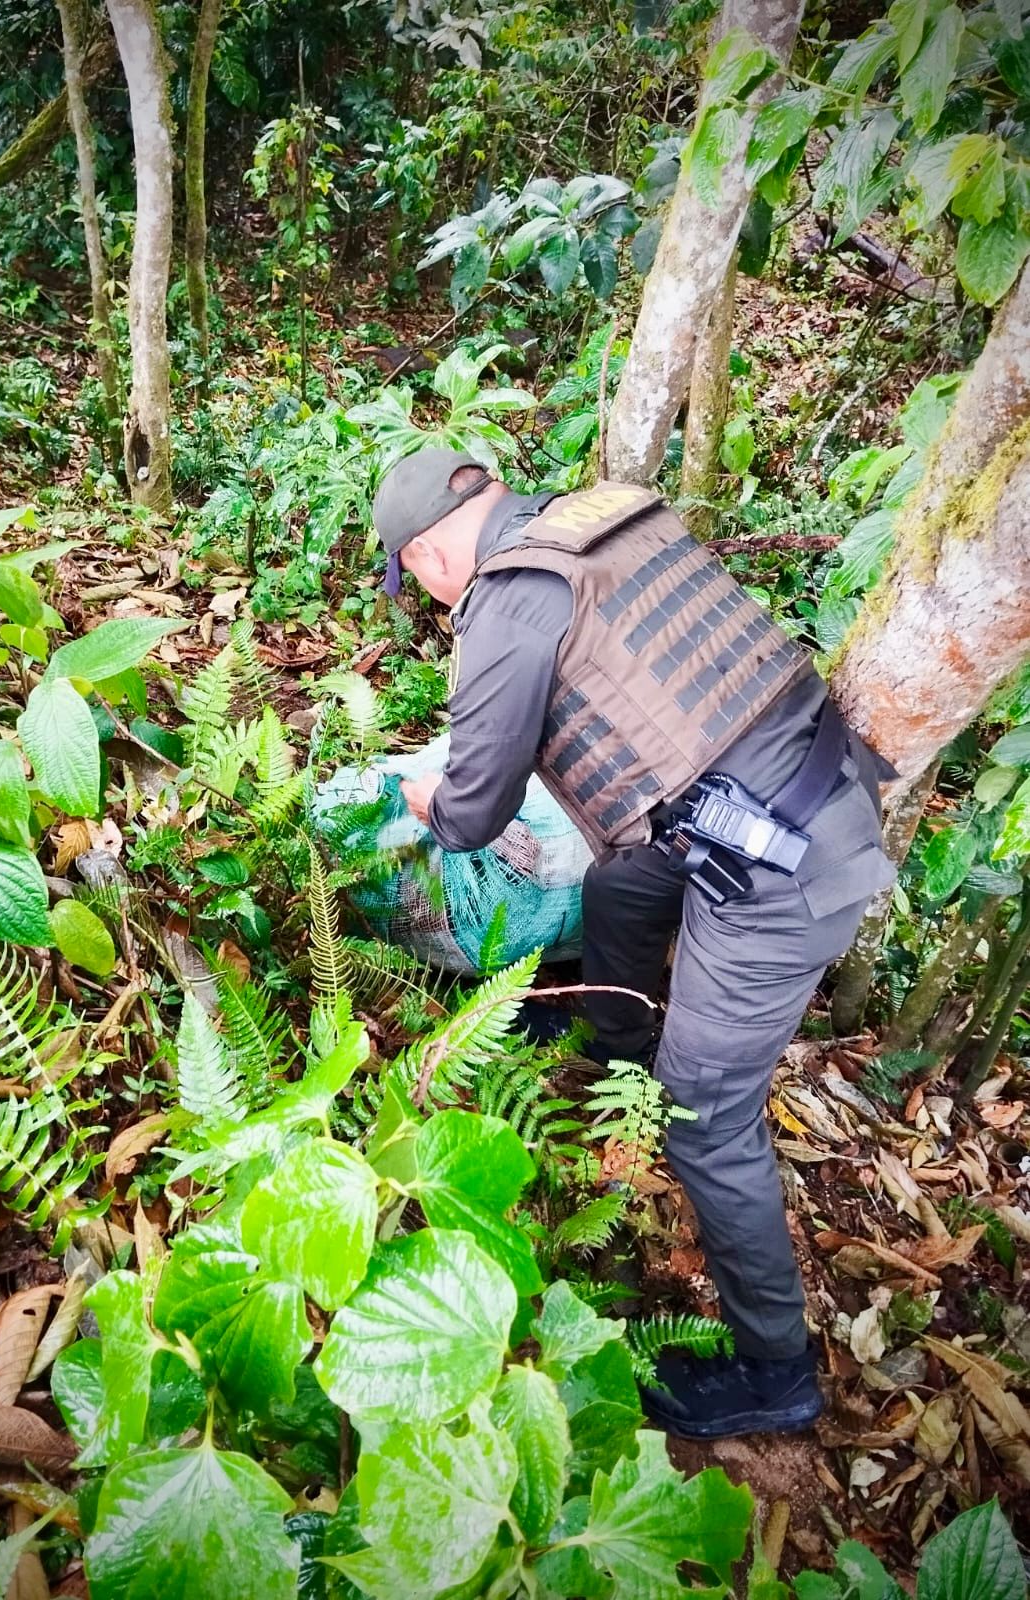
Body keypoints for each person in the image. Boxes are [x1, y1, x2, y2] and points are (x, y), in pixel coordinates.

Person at [373, 446, 896, 1441]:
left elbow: (474, 811)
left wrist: (424, 796)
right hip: (791, 794)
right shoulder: (597, 517)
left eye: (420, 581)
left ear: (432, 554)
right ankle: (612, 1047)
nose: (433, 599)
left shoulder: (505, 600)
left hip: (782, 876)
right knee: (618, 884)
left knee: (705, 1119)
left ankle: (773, 1368)